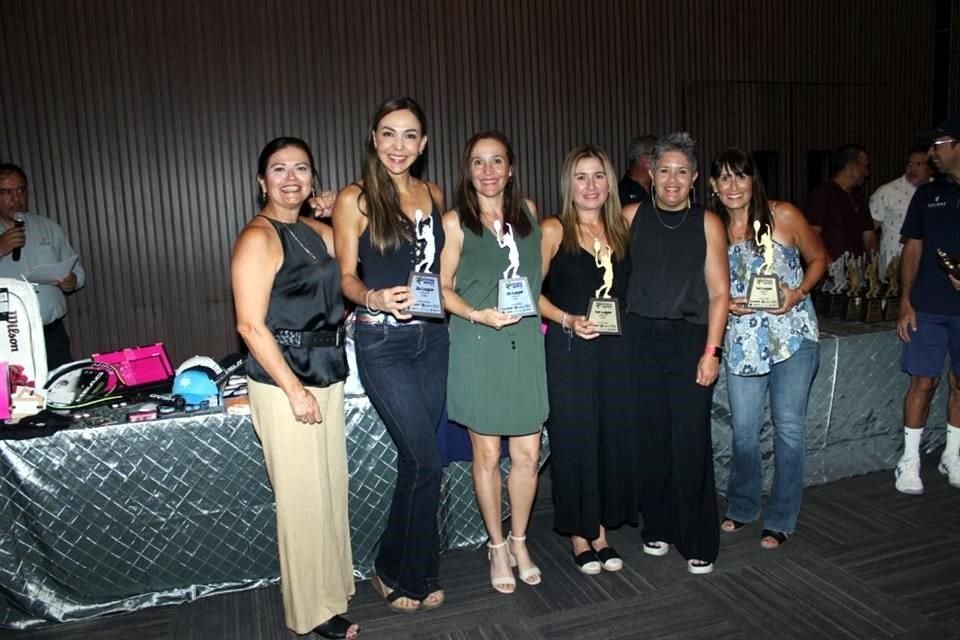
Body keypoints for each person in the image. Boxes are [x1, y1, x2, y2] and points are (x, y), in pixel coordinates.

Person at [232, 137, 359, 639]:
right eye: (279, 169)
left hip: (326, 369)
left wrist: (343, 201)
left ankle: (331, 587)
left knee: (329, 492)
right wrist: (292, 389)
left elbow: (366, 238)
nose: (290, 178)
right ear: (262, 182)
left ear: (313, 180)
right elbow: (248, 325)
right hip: (285, 379)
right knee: (303, 500)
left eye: (301, 169)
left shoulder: (314, 231)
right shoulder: (257, 238)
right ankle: (311, 611)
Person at [332, 97, 447, 613]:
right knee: (425, 458)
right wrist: (373, 297)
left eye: (409, 136)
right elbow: (345, 279)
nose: (398, 146)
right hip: (382, 341)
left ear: (423, 144)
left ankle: (409, 567)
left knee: (422, 461)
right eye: (388, 134)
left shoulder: (434, 193)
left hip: (434, 339)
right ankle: (397, 569)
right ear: (373, 139)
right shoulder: (355, 200)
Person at [440, 131, 548, 594]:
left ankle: (521, 541)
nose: (488, 172)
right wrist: (475, 312)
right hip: (478, 344)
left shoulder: (527, 212)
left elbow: (535, 284)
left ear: (510, 167)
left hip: (524, 344)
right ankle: (497, 545)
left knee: (527, 454)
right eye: (479, 163)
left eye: (497, 161)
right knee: (486, 455)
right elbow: (440, 289)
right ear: (468, 169)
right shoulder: (454, 222)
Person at [708, 148, 827, 550]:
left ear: (753, 180)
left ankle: (780, 517)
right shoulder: (711, 228)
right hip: (742, 340)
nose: (733, 186)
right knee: (742, 430)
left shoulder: (784, 215)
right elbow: (704, 285)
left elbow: (818, 259)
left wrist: (798, 293)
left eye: (740, 176)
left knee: (788, 429)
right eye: (724, 178)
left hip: (792, 337)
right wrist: (725, 302)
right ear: (712, 186)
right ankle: (742, 506)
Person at [622, 132, 729, 575]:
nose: (671, 179)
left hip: (690, 341)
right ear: (650, 173)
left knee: (689, 440)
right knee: (650, 439)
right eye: (663, 169)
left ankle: (697, 536)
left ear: (695, 178)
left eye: (681, 171)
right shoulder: (630, 216)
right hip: (639, 340)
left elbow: (720, 293)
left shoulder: (708, 223)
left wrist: (712, 352)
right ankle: (658, 525)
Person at [539, 145, 637, 575]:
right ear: (568, 184)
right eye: (581, 176)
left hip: (616, 351)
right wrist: (567, 319)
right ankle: (580, 535)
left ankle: (600, 532)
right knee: (574, 440)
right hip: (569, 350)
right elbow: (526, 292)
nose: (591, 185)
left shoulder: (622, 230)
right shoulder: (553, 229)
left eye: (598, 176)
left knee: (608, 438)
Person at [894, 115, 960, 495]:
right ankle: (910, 461)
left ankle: (953, 454)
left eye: (940, 144)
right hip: (928, 306)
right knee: (924, 380)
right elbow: (912, 247)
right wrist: (905, 301)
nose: (932, 152)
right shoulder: (928, 195)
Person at [0, 163, 85, 369]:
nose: (16, 199)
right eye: (6, 192)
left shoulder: (48, 227)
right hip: (7, 338)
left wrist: (72, 281)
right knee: (17, 398)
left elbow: (77, 271)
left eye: (21, 190)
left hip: (50, 334)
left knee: (61, 391)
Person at [805, 144, 878, 262]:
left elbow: (869, 237)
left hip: (857, 273)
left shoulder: (859, 197)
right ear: (851, 168)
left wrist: (875, 265)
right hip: (831, 272)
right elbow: (812, 235)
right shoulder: (823, 194)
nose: (867, 173)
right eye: (864, 167)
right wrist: (829, 265)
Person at [870, 145, 934, 273]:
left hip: (928, 266)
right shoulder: (887, 191)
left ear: (931, 168)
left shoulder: (940, 191)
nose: (912, 168)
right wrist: (874, 262)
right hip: (893, 267)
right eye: (909, 163)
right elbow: (868, 231)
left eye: (919, 164)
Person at [618, 135, 657, 207]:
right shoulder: (619, 193)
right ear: (641, 157)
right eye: (656, 155)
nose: (661, 160)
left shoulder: (660, 189)